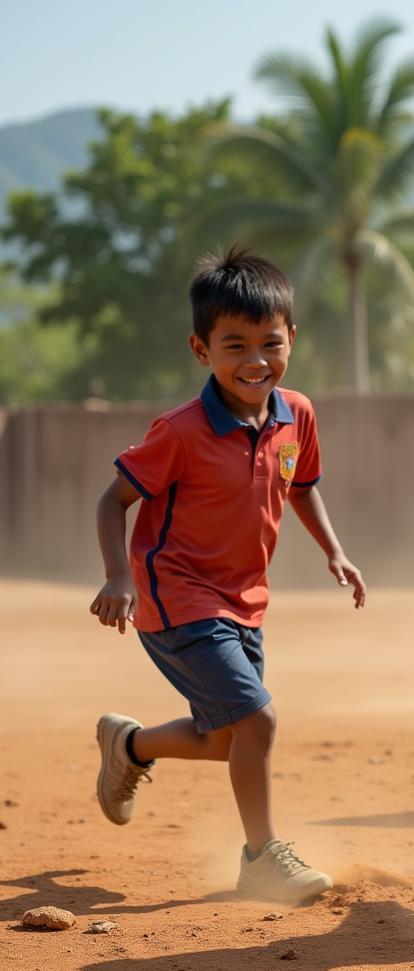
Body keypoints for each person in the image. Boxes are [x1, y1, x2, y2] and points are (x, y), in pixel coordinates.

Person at [89, 246, 366, 902]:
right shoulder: (179, 431)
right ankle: (262, 856)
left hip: (246, 599)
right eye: (234, 345)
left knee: (227, 739)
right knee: (259, 721)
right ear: (200, 349)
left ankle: (129, 747)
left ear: (291, 340)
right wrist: (117, 576)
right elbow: (113, 499)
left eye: (269, 343)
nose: (254, 361)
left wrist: (334, 549)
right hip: (176, 596)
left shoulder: (296, 413)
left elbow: (301, 486)